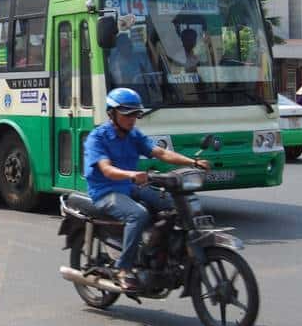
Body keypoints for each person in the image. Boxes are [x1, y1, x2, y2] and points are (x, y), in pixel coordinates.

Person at [83, 88, 209, 290]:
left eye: (135, 113)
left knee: (172, 206)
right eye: (127, 113)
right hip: (106, 191)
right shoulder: (97, 138)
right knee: (138, 215)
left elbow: (160, 153)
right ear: (111, 113)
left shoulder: (134, 135)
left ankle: (158, 253)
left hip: (130, 186)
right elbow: (106, 170)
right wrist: (131, 175)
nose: (132, 118)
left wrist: (193, 162)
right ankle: (123, 268)